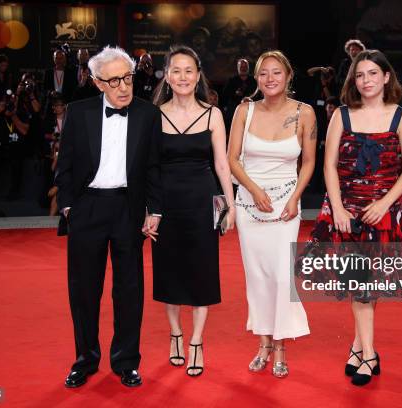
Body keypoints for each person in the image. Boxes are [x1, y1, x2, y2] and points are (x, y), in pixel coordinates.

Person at [55, 45, 163, 389]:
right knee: (84, 290)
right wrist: (70, 207)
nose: (123, 86)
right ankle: (85, 360)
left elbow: (153, 168)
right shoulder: (78, 111)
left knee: (129, 290)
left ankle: (126, 362)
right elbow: (65, 166)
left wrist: (154, 209)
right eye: (114, 80)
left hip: (127, 209)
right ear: (98, 82)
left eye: (127, 78)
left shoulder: (148, 114)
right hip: (87, 208)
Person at [309, 49, 402, 386]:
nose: (366, 80)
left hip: (383, 211)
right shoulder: (342, 114)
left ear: (386, 77)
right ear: (352, 81)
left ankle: (360, 348)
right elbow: (328, 164)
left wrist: (385, 203)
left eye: (372, 73)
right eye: (360, 75)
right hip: (346, 210)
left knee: (367, 286)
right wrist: (338, 208)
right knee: (360, 285)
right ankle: (368, 354)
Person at [228, 50, 317, 378]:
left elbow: (308, 161)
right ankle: (264, 342)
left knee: (281, 277)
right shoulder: (244, 111)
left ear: (288, 75)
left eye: (276, 72)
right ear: (256, 78)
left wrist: (295, 198)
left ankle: (280, 345)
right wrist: (253, 189)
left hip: (286, 206)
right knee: (258, 277)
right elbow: (232, 159)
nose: (270, 79)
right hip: (251, 205)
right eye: (263, 73)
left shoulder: (304, 113)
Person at [151, 45, 235, 377]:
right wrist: (150, 209)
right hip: (166, 204)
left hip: (202, 203)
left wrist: (229, 205)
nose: (183, 77)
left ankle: (197, 341)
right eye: (176, 70)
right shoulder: (153, 114)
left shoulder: (213, 114)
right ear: (167, 76)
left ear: (198, 76)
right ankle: (175, 334)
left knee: (202, 271)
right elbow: (150, 168)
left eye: (189, 71)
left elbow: (222, 164)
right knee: (168, 271)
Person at [221, 58, 257, 131]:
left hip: (252, 112)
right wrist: (235, 94)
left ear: (248, 68)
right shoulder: (231, 81)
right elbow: (225, 96)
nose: (243, 68)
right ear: (238, 68)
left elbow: (258, 94)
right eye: (241, 67)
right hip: (234, 112)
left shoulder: (254, 81)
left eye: (245, 67)